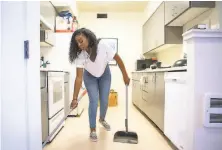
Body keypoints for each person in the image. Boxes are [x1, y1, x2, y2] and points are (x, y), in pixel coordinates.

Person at [69, 28, 130, 142]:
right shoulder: (80, 55)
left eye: (81, 41)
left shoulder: (102, 45)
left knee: (104, 100)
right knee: (94, 100)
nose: (79, 44)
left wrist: (125, 75)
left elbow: (118, 59)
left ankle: (102, 119)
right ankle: (92, 129)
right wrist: (74, 98)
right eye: (76, 43)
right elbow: (78, 78)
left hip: (104, 74)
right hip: (89, 76)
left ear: (88, 37)